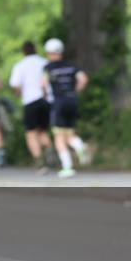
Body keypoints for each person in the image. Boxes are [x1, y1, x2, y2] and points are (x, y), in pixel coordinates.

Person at [40, 38, 91, 178]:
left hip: (59, 102)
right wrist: (76, 92)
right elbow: (84, 79)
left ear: (49, 52)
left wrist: (45, 95)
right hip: (72, 100)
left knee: (58, 136)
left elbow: (43, 84)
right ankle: (80, 146)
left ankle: (67, 166)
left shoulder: (48, 67)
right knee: (69, 133)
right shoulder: (72, 65)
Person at [9, 40, 54, 174]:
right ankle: (49, 148)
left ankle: (40, 162)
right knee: (42, 130)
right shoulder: (44, 62)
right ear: (35, 49)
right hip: (46, 100)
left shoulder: (20, 65)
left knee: (31, 133)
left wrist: (18, 94)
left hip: (30, 101)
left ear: (24, 52)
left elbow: (15, 84)